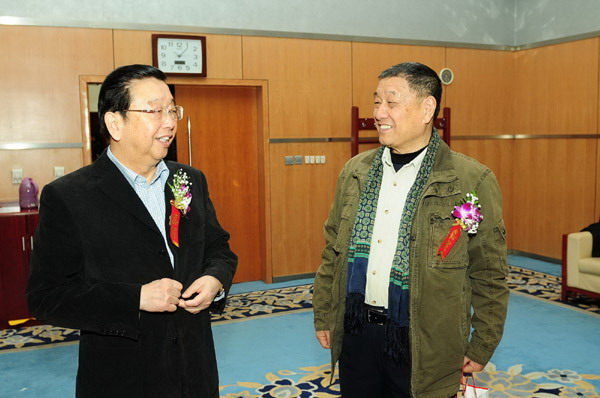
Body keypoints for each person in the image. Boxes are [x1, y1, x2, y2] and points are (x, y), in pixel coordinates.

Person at [27, 64, 237, 398]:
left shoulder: (189, 180)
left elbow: (218, 248)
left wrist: (216, 280)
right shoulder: (70, 196)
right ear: (115, 123)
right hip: (124, 377)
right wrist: (135, 298)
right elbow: (47, 297)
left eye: (172, 110)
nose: (169, 123)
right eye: (154, 111)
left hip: (194, 370)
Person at [313, 62, 509, 398]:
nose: (379, 113)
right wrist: (325, 313)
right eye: (376, 102)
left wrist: (483, 342)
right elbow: (333, 249)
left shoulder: (469, 180)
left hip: (425, 341)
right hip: (357, 331)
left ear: (427, 108)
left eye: (391, 102)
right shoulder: (355, 172)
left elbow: (489, 271)